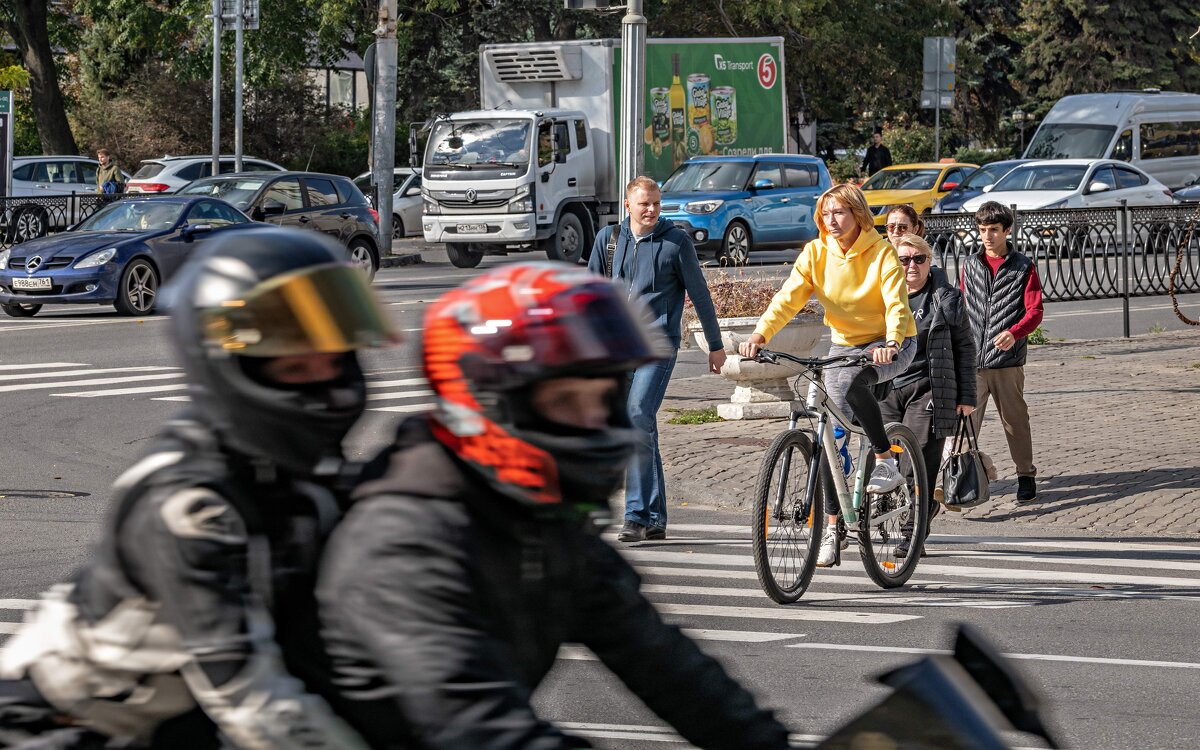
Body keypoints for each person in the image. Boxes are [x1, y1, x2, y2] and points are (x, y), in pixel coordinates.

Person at [314, 262, 791, 750]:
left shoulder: (537, 516)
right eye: (564, 401)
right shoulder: (405, 541)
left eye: (600, 399)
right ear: (488, 405)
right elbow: (476, 727)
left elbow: (665, 664)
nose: (591, 421)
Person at [0, 228, 396, 749]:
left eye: (335, 357)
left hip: (177, 719)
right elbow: (253, 703)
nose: (327, 381)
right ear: (229, 362)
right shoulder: (188, 500)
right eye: (295, 364)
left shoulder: (298, 477)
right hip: (62, 726)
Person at [738, 183, 916, 567]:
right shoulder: (816, 253)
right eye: (825, 213)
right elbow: (788, 298)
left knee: (853, 386)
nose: (831, 220)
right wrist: (759, 335)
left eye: (839, 212)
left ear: (857, 214)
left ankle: (885, 459)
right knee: (825, 434)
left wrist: (891, 340)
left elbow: (896, 303)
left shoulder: (881, 252)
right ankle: (833, 527)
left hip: (890, 342)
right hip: (844, 345)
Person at [587, 176, 726, 542]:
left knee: (636, 416)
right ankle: (655, 516)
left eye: (656, 203)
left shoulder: (676, 242)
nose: (651, 210)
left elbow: (700, 294)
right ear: (628, 205)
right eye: (644, 203)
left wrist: (715, 344)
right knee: (641, 425)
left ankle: (635, 515)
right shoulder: (608, 240)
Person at [878, 233, 976, 558]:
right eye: (904, 259)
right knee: (883, 460)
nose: (912, 266)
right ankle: (901, 513)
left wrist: (967, 396)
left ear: (929, 261)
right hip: (887, 387)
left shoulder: (946, 298)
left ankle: (912, 535)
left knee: (916, 464)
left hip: (929, 388)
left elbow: (965, 347)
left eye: (919, 259)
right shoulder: (882, 295)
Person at [961, 201, 1043, 503]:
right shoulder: (970, 265)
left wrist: (1014, 332)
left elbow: (1035, 311)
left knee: (1015, 420)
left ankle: (1026, 475)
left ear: (1007, 230)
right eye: (982, 230)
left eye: (994, 230)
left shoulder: (1023, 266)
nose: (987, 236)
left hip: (1007, 361)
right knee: (966, 423)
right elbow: (963, 306)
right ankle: (961, 477)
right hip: (973, 360)